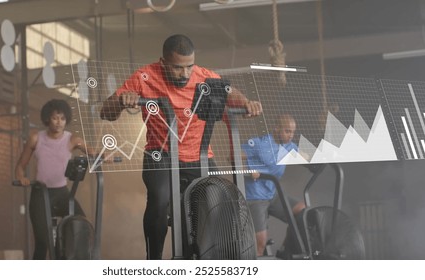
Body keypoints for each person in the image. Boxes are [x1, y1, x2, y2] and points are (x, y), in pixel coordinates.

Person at [100, 34, 262, 259]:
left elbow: (229, 92)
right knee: (160, 200)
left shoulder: (204, 77)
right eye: (177, 68)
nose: (185, 74)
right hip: (161, 155)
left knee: (220, 202)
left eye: (189, 67)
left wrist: (245, 102)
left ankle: (207, 259)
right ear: (163, 62)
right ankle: (154, 260)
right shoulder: (144, 77)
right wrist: (120, 101)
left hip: (200, 156)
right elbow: (105, 112)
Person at [15, 99, 92, 260]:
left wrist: (105, 156)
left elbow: (93, 152)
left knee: (80, 224)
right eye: (55, 118)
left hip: (62, 194)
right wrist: (21, 177)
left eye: (62, 119)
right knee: (43, 242)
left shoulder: (72, 140)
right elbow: (20, 166)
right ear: (47, 119)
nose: (59, 122)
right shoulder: (36, 138)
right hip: (40, 194)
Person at [242, 114, 305, 257]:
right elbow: (232, 157)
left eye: (293, 132)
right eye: (287, 131)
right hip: (256, 197)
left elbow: (305, 156)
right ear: (276, 129)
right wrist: (249, 170)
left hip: (273, 195)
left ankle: (285, 250)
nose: (290, 135)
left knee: (302, 211)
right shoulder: (259, 144)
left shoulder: (289, 146)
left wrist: (326, 157)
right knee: (260, 243)